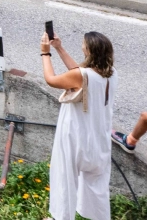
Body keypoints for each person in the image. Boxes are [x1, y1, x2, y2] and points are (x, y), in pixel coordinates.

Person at [44, 29, 114, 220]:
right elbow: (80, 76)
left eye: (84, 44)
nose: (81, 46)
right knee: (97, 187)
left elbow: (51, 80)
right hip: (98, 143)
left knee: (65, 181)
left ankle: (62, 217)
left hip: (76, 138)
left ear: (88, 51)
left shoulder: (81, 76)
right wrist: (59, 48)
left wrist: (45, 53)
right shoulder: (111, 74)